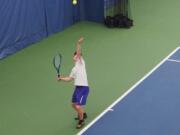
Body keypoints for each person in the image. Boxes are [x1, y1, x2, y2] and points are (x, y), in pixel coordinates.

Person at [57, 37, 89, 129]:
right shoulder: (74, 69)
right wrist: (61, 78)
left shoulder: (81, 62)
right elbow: (70, 78)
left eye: (78, 55)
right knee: (73, 104)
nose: (77, 56)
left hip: (84, 88)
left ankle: (81, 121)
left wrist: (78, 44)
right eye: (75, 55)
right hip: (77, 88)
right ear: (73, 57)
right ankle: (82, 113)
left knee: (78, 106)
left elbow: (78, 52)